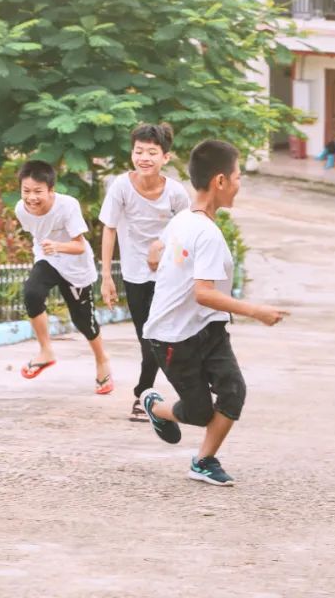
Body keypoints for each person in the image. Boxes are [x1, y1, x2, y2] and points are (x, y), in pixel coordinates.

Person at [139, 140, 288, 486]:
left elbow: (157, 251)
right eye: (237, 177)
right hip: (173, 336)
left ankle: (204, 461)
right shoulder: (204, 232)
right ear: (220, 181)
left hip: (209, 329)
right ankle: (156, 408)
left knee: (234, 391)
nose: (239, 185)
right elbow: (203, 293)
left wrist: (156, 256)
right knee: (198, 412)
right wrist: (256, 311)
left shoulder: (184, 221)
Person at [99, 123, 190, 422]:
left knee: (159, 337)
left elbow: (189, 231)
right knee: (147, 338)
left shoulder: (176, 192)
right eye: (139, 151)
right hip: (135, 275)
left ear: (165, 157)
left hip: (169, 275)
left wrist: (161, 246)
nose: (144, 158)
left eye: (152, 152)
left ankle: (142, 395)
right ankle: (151, 394)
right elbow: (109, 229)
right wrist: (106, 277)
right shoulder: (121, 187)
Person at [15, 160, 113, 393]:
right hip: (48, 259)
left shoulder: (68, 206)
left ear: (51, 190)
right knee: (32, 293)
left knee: (83, 321)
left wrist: (58, 246)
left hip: (75, 265)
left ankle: (102, 359)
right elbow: (37, 235)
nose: (31, 198)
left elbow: (80, 246)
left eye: (38, 191)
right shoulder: (21, 209)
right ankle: (46, 351)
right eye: (26, 191)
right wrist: (50, 249)